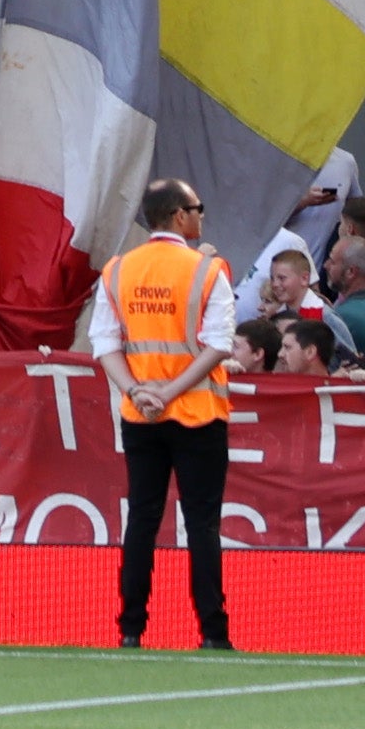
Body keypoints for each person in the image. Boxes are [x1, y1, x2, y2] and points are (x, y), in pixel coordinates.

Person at [92, 176, 238, 651]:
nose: (200, 216)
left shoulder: (118, 270)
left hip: (141, 416)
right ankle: (212, 632)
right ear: (180, 215)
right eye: (197, 208)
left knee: (142, 518)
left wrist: (137, 391)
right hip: (198, 413)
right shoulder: (207, 271)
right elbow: (218, 345)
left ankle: (131, 628)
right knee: (202, 523)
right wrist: (172, 392)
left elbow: (105, 344)